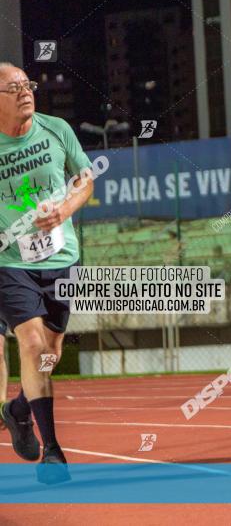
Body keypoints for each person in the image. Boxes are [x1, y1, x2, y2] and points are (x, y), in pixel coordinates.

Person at [0, 62, 95, 483]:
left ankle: (18, 410)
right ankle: (53, 454)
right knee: (34, 344)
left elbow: (86, 179)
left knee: (50, 353)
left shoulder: (57, 129)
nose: (25, 92)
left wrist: (65, 209)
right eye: (14, 87)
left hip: (62, 258)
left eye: (28, 84)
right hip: (10, 262)